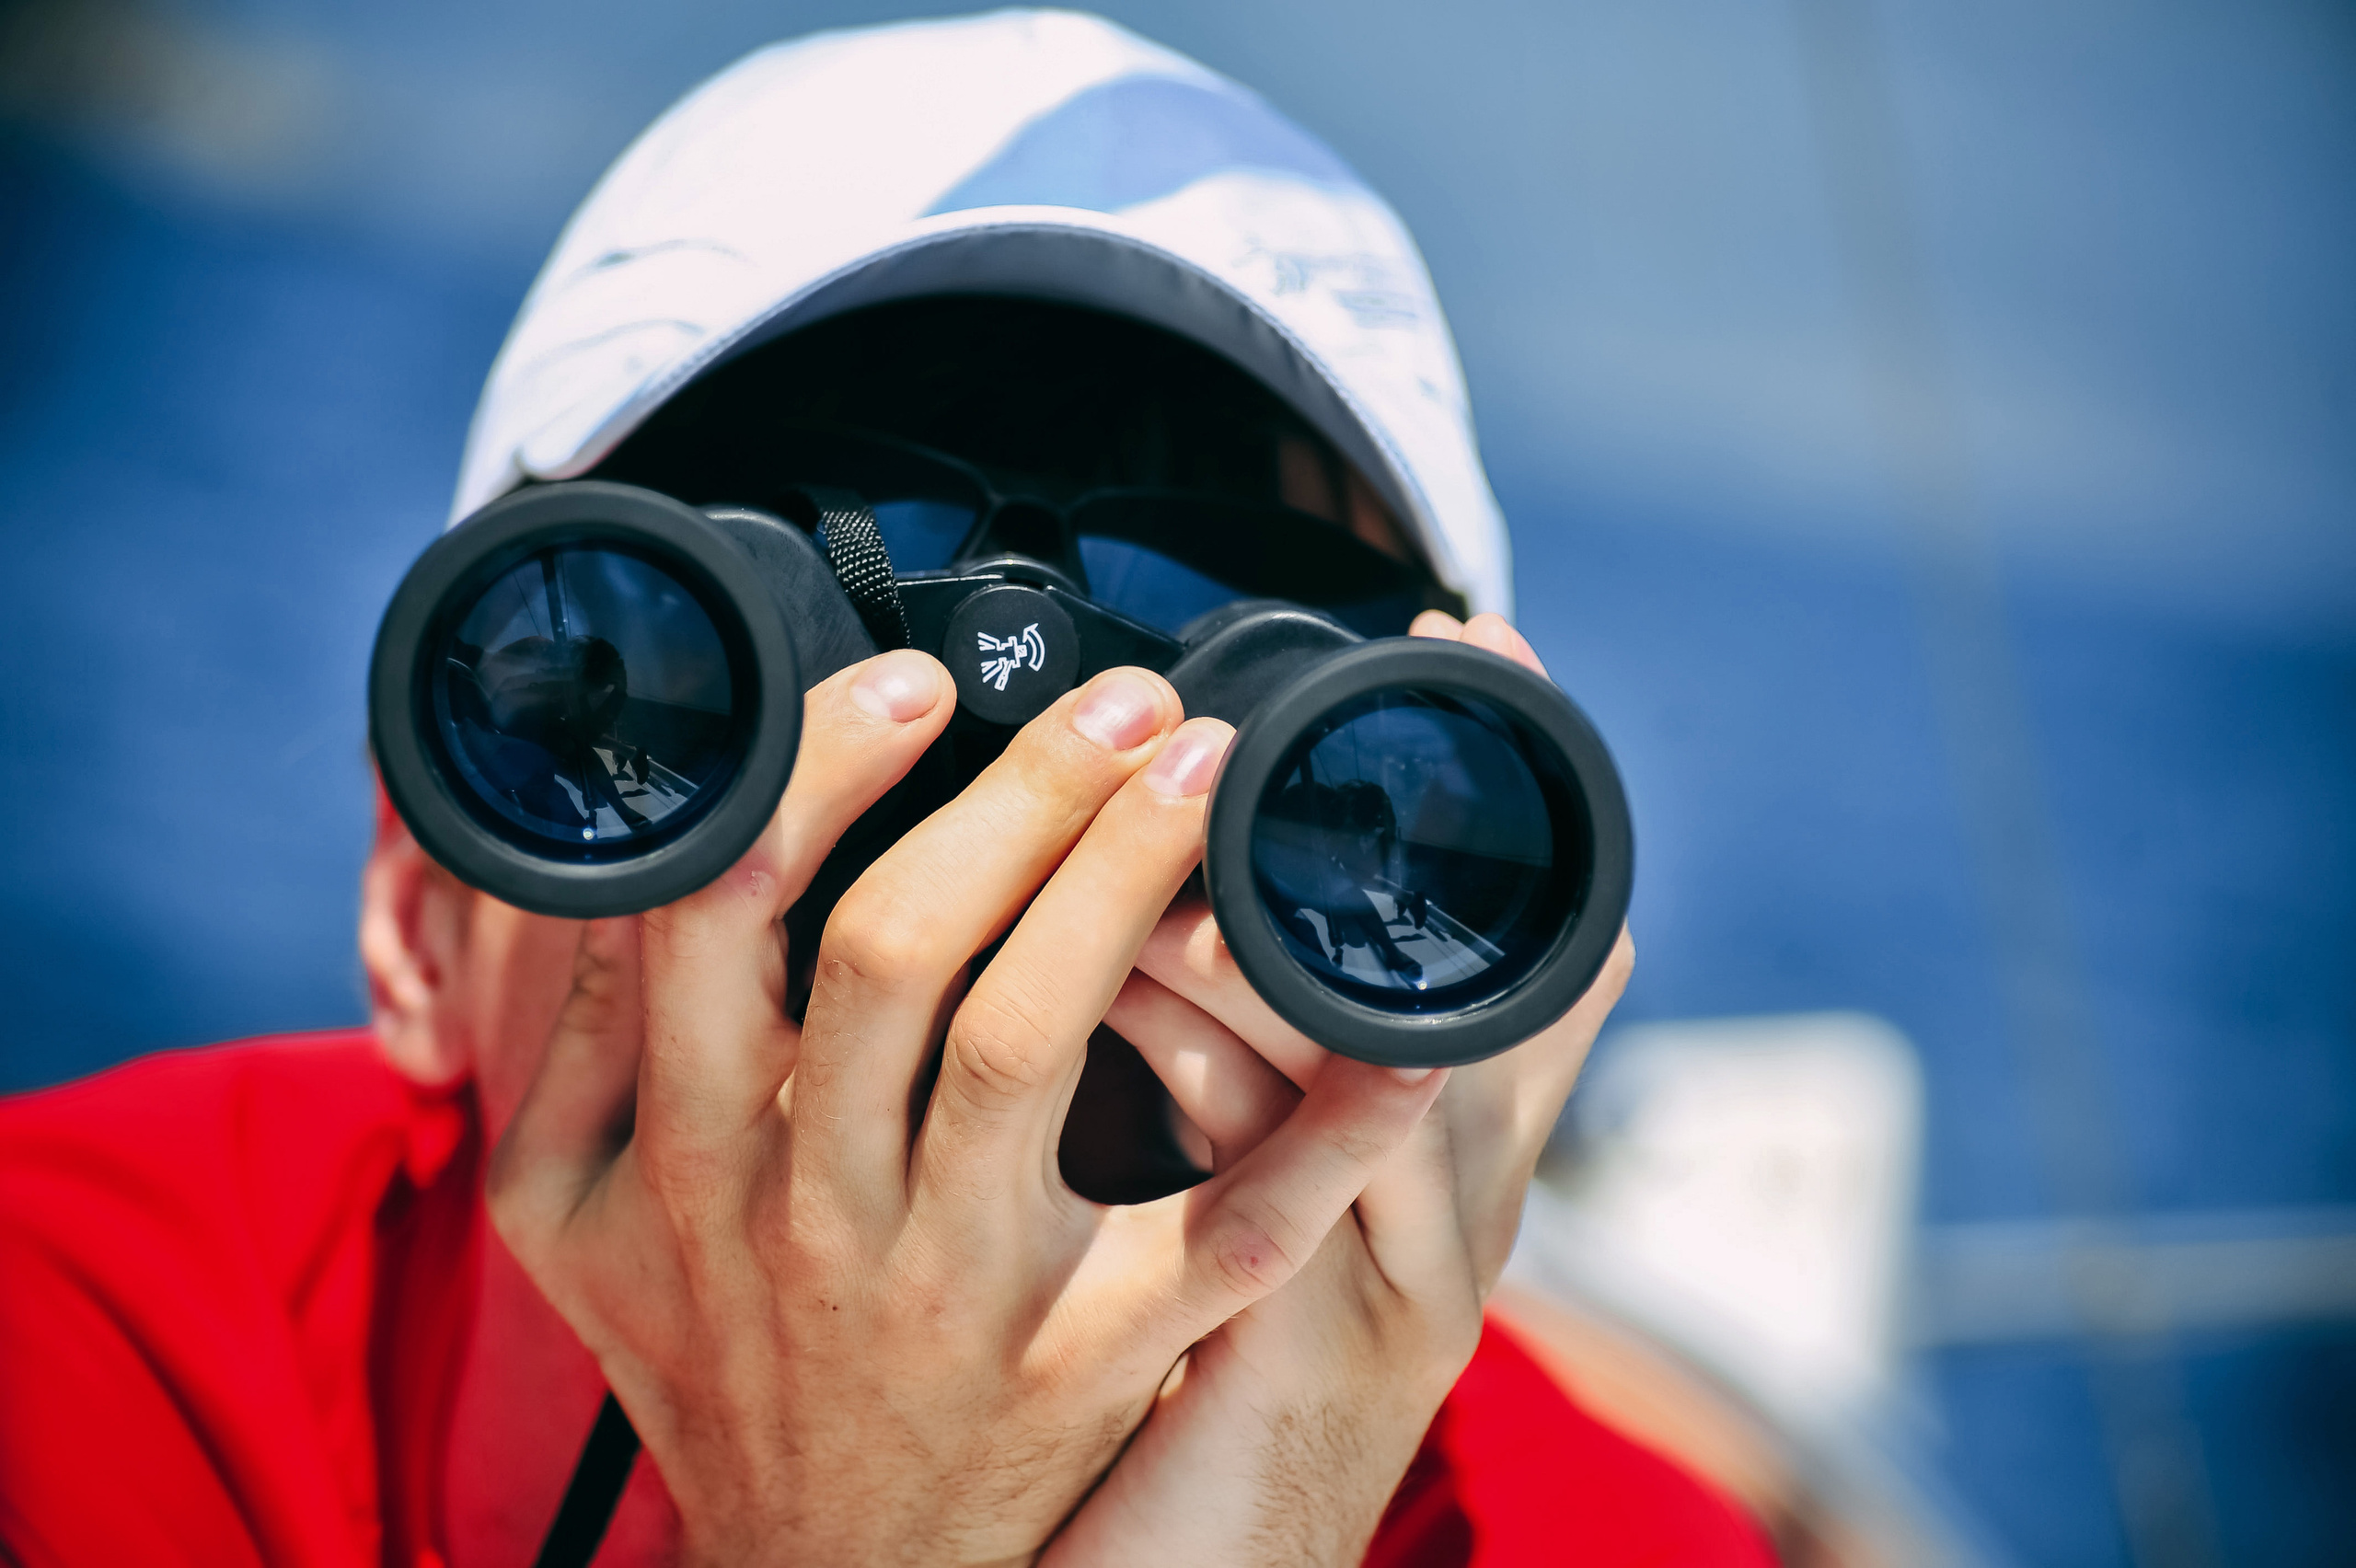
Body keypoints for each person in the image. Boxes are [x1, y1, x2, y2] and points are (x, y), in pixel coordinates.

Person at [0, 14, 1777, 1566]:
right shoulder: (67, 1364)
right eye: (657, 713)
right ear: (417, 905)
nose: (958, 930)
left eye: (1312, 809)